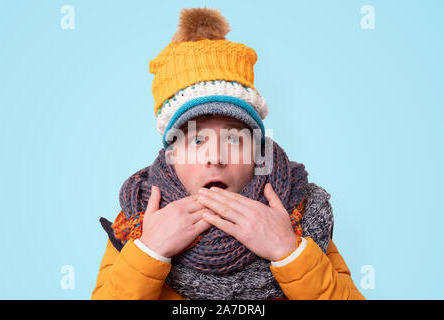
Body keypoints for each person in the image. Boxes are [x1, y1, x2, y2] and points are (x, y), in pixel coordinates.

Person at [91, 7, 365, 300]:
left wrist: (288, 252)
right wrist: (150, 251)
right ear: (171, 157)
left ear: (257, 154)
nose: (215, 158)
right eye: (197, 141)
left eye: (234, 139)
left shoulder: (299, 214)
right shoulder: (139, 221)